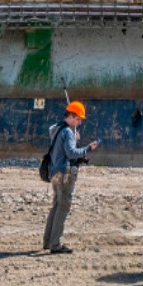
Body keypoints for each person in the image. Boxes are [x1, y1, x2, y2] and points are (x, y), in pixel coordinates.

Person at [42, 101, 99, 254]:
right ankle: (55, 244)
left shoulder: (57, 128)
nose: (80, 122)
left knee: (56, 206)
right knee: (63, 206)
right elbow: (71, 153)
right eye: (79, 119)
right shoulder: (68, 132)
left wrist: (73, 135)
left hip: (54, 172)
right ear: (72, 116)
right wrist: (88, 148)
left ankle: (48, 241)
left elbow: (60, 142)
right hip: (65, 174)